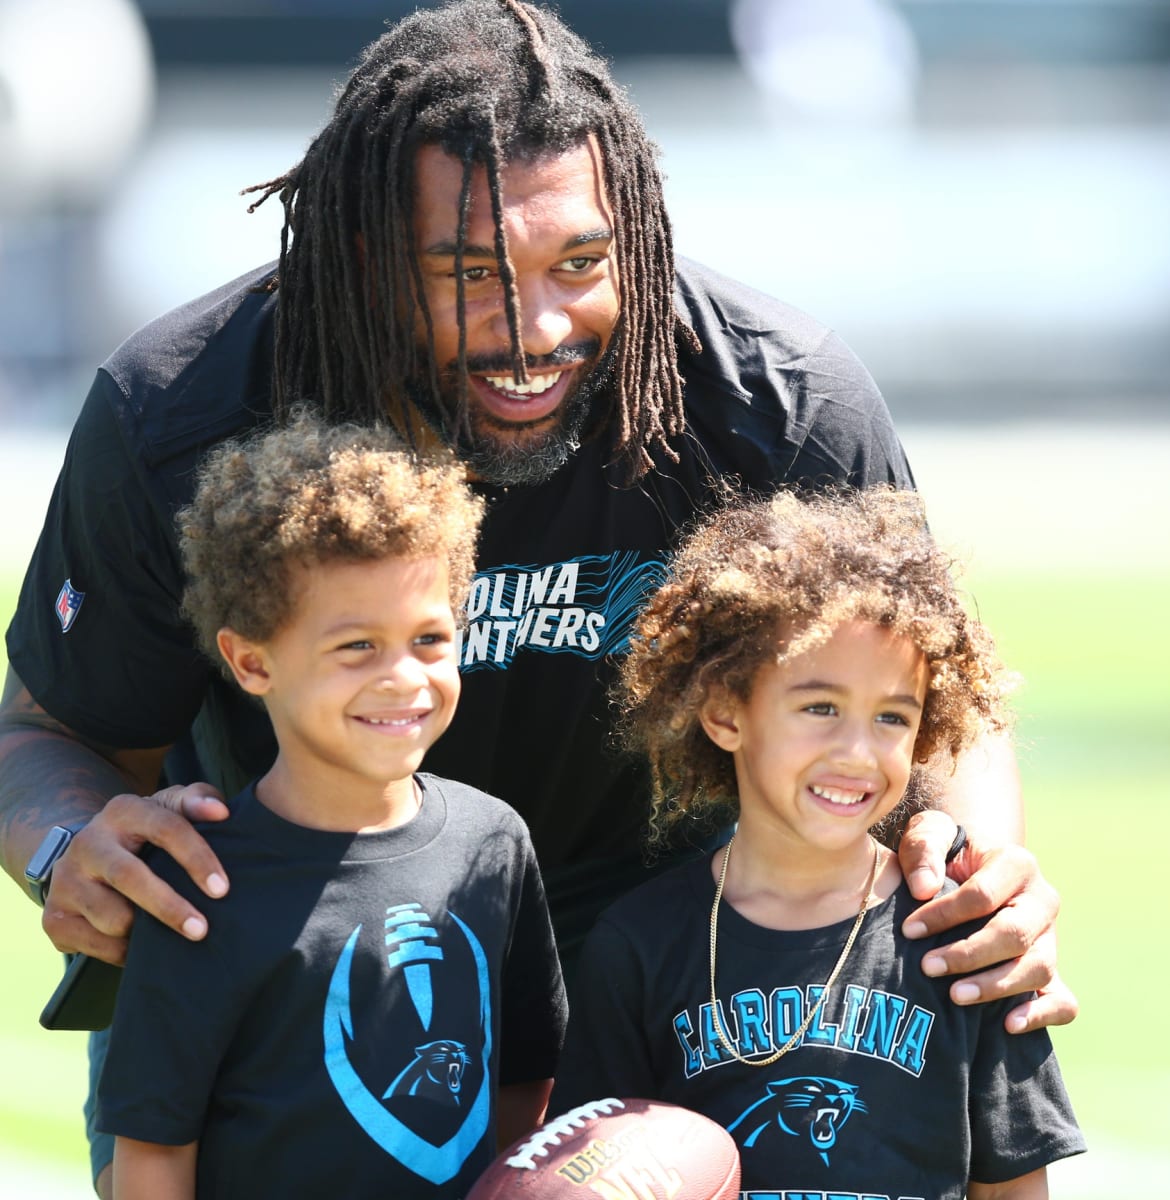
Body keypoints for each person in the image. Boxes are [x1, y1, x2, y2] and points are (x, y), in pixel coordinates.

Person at [0, 1, 1072, 1193]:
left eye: (579, 264)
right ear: (362, 254)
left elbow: (938, 702)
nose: (534, 330)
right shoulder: (185, 412)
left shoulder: (774, 401)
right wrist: (67, 844)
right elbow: (48, 731)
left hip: (678, 964)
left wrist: (979, 867)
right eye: (467, 273)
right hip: (303, 968)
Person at [549, 485, 1086, 1197]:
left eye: (893, 718)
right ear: (723, 713)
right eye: (820, 707)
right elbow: (590, 1173)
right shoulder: (640, 942)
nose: (858, 752)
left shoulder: (964, 940)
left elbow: (1015, 1186)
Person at [96, 412, 566, 1200]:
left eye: (429, 639)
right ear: (251, 662)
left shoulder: (496, 842)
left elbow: (524, 1088)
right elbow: (151, 1155)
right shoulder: (201, 883)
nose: (403, 678)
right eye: (357, 647)